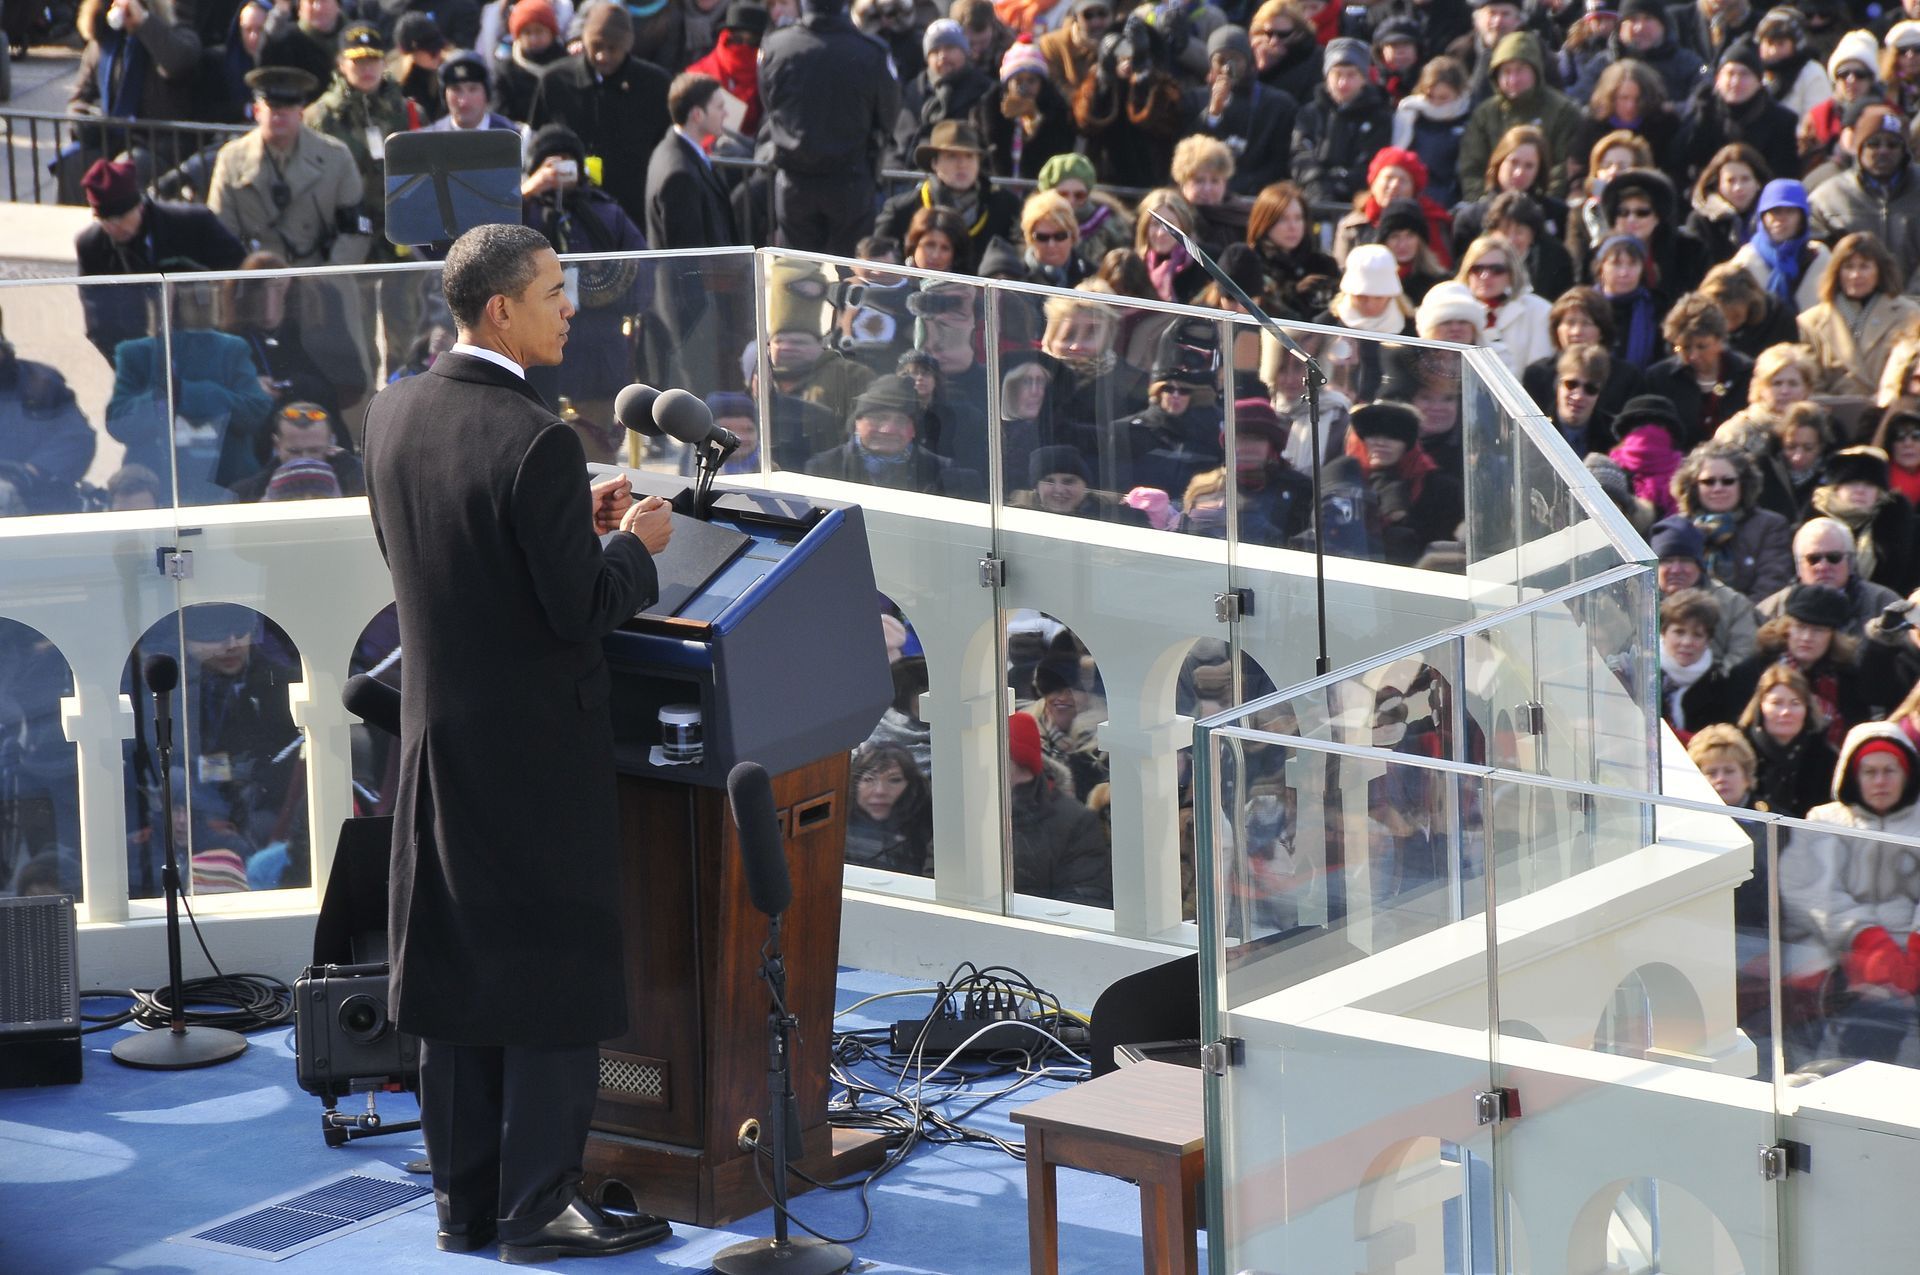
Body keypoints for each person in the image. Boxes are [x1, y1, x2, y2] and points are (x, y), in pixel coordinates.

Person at [362, 222, 674, 1263]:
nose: (569, 308)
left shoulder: (393, 413)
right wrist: (632, 547)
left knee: (455, 974)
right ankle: (540, 1207)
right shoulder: (538, 439)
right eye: (552, 293)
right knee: (549, 978)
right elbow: (579, 609)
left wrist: (562, 521)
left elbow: (448, 557)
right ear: (500, 309)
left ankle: (467, 1205)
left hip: (437, 749)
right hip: (537, 762)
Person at [1779, 721, 1920, 1064]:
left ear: (1907, 774)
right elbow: (1808, 889)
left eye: (1890, 770)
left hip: (1913, 945)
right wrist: (1865, 939)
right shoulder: (1823, 820)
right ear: (1853, 775)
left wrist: (1915, 945)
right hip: (1839, 947)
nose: (1880, 781)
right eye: (1870, 771)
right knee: (1872, 1016)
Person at [759, 0, 898, 257]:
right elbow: (888, 117)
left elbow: (770, 105)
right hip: (850, 183)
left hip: (795, 183)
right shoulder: (872, 51)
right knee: (848, 277)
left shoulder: (776, 46)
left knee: (799, 278)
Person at [75, 156, 246, 360]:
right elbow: (100, 323)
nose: (113, 227)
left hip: (207, 346)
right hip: (139, 357)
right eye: (104, 220)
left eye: (120, 217)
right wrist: (132, 365)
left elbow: (241, 275)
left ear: (139, 205)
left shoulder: (192, 224)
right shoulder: (91, 246)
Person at [207, 66, 370, 267]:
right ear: (257, 111)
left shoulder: (336, 157)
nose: (280, 115)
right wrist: (246, 283)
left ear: (301, 113)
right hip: (254, 281)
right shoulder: (231, 158)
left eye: (289, 107)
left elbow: (356, 231)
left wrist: (329, 281)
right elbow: (220, 232)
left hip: (319, 280)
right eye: (272, 107)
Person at [527, 4, 670, 228]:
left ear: (627, 46)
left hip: (634, 210)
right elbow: (535, 142)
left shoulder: (655, 85)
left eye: (612, 48)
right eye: (596, 46)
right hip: (569, 211)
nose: (603, 55)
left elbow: (665, 146)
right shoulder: (555, 81)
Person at [803, 373, 983, 496]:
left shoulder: (943, 472)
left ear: (914, 430)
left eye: (901, 421)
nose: (888, 430)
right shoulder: (822, 468)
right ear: (857, 422)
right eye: (878, 418)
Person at [1459, 33, 1581, 200]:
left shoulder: (1563, 111)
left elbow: (1563, 167)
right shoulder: (1484, 114)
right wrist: (1487, 204)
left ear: (1536, 70)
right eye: (1506, 72)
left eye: (1520, 70)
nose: (1513, 79)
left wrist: (1543, 204)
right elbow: (1471, 169)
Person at [1007, 710, 1111, 907]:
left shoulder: (1075, 822)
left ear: (1017, 762)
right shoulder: (971, 809)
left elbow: (1086, 897)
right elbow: (937, 874)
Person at [1798, 232, 1920, 400]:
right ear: (1837, 271)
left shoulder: (1909, 314)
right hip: (1833, 417)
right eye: (1848, 267)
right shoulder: (1810, 322)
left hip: (1889, 414)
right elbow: (1809, 383)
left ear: (1879, 270)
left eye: (1864, 266)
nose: (1856, 275)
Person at [1809, 106, 1920, 283]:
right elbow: (1817, 261)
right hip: (1850, 304)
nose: (1883, 151)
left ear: (1904, 151)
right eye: (1873, 144)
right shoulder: (1827, 198)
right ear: (1859, 149)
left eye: (1892, 144)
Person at [1672, 441, 1794, 602]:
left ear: (1743, 484)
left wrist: (1736, 618)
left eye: (1727, 481)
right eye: (1709, 481)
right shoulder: (1677, 528)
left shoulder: (1770, 526)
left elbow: (1771, 585)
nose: (1718, 488)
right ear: (1694, 486)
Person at [1185, 24, 1298, 196]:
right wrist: (1213, 112)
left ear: (1248, 61)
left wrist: (1248, 185)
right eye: (1220, 61)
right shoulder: (1194, 100)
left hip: (1256, 196)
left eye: (1235, 59)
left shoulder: (1279, 104)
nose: (1227, 68)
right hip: (1205, 194)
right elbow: (1188, 151)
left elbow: (1279, 162)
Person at [1290, 35, 1394, 207]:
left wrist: (1341, 182)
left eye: (1351, 75)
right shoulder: (1309, 113)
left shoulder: (1379, 118)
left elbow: (1371, 163)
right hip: (1309, 198)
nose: (1343, 82)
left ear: (1363, 78)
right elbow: (1299, 153)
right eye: (1337, 74)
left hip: (1358, 202)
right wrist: (1315, 182)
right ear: (1326, 76)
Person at [1757, 514, 1904, 630]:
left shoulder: (1884, 603)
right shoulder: (1769, 611)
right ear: (1798, 565)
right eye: (1813, 559)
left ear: (1850, 561)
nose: (1823, 566)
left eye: (1834, 557)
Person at [644, 72, 737, 250]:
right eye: (719, 107)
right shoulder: (679, 174)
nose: (726, 113)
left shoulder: (678, 152)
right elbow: (688, 259)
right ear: (697, 115)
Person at [1808, 444, 1918, 595]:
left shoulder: (1899, 527)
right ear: (1836, 488)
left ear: (1879, 492)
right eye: (1852, 483)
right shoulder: (1813, 524)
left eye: (1869, 484)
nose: (1860, 490)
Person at [1651, 513, 1761, 662]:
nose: (1676, 569)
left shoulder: (1733, 604)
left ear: (1700, 565)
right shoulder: (1638, 603)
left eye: (1685, 560)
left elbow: (1743, 656)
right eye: (1667, 561)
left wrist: (1709, 681)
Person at [1644, 293, 1752, 441]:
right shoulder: (1658, 378)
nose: (1694, 355)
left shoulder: (1746, 372)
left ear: (1719, 340)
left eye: (1702, 346)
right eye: (1685, 348)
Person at [1738, 662, 1838, 817]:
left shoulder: (1827, 758)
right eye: (1776, 703)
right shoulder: (1738, 752)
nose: (1785, 712)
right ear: (1760, 706)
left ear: (1807, 709)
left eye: (1795, 703)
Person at [227, 400, 364, 500]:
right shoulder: (245, 494)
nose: (304, 459)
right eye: (294, 451)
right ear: (277, 445)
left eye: (314, 450)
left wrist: (352, 470)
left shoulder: (361, 484)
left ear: (331, 444)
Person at [1458, 232, 1552, 377]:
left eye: (1496, 270)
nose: (1485, 276)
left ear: (1511, 274)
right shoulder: (1453, 309)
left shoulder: (1539, 311)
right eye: (1477, 269)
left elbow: (1540, 374)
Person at [1729, 178, 1829, 314]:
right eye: (1774, 211)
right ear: (1762, 217)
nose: (1781, 219)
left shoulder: (1820, 257)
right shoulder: (1745, 261)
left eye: (1790, 211)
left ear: (1802, 219)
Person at [991, 37, 1078, 180]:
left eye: (1031, 81)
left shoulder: (1057, 111)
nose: (1025, 87)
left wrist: (1035, 119)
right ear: (1007, 84)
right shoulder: (992, 109)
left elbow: (1057, 154)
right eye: (1018, 80)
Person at [844, 743, 933, 875]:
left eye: (894, 780)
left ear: (911, 786)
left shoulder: (931, 827)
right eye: (869, 779)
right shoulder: (836, 828)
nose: (880, 791)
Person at [1660, 586, 1736, 735]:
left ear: (1708, 639)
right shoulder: (1640, 672)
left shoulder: (1720, 685)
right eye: (1679, 632)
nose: (1687, 642)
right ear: (1663, 632)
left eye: (1697, 635)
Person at [1685, 141, 1769, 267]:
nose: (1738, 188)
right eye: (1730, 181)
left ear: (1758, 182)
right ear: (1718, 185)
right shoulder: (1701, 221)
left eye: (1745, 179)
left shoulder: (1773, 217)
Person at [490, 0, 566, 123]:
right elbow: (500, 111)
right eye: (527, 32)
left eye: (539, 31)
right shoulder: (506, 69)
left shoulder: (566, 65)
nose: (533, 38)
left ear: (551, 32)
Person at [427, 49, 520, 132]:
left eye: (473, 89)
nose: (464, 101)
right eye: (456, 90)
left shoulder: (510, 136)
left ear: (487, 93)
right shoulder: (431, 139)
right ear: (444, 95)